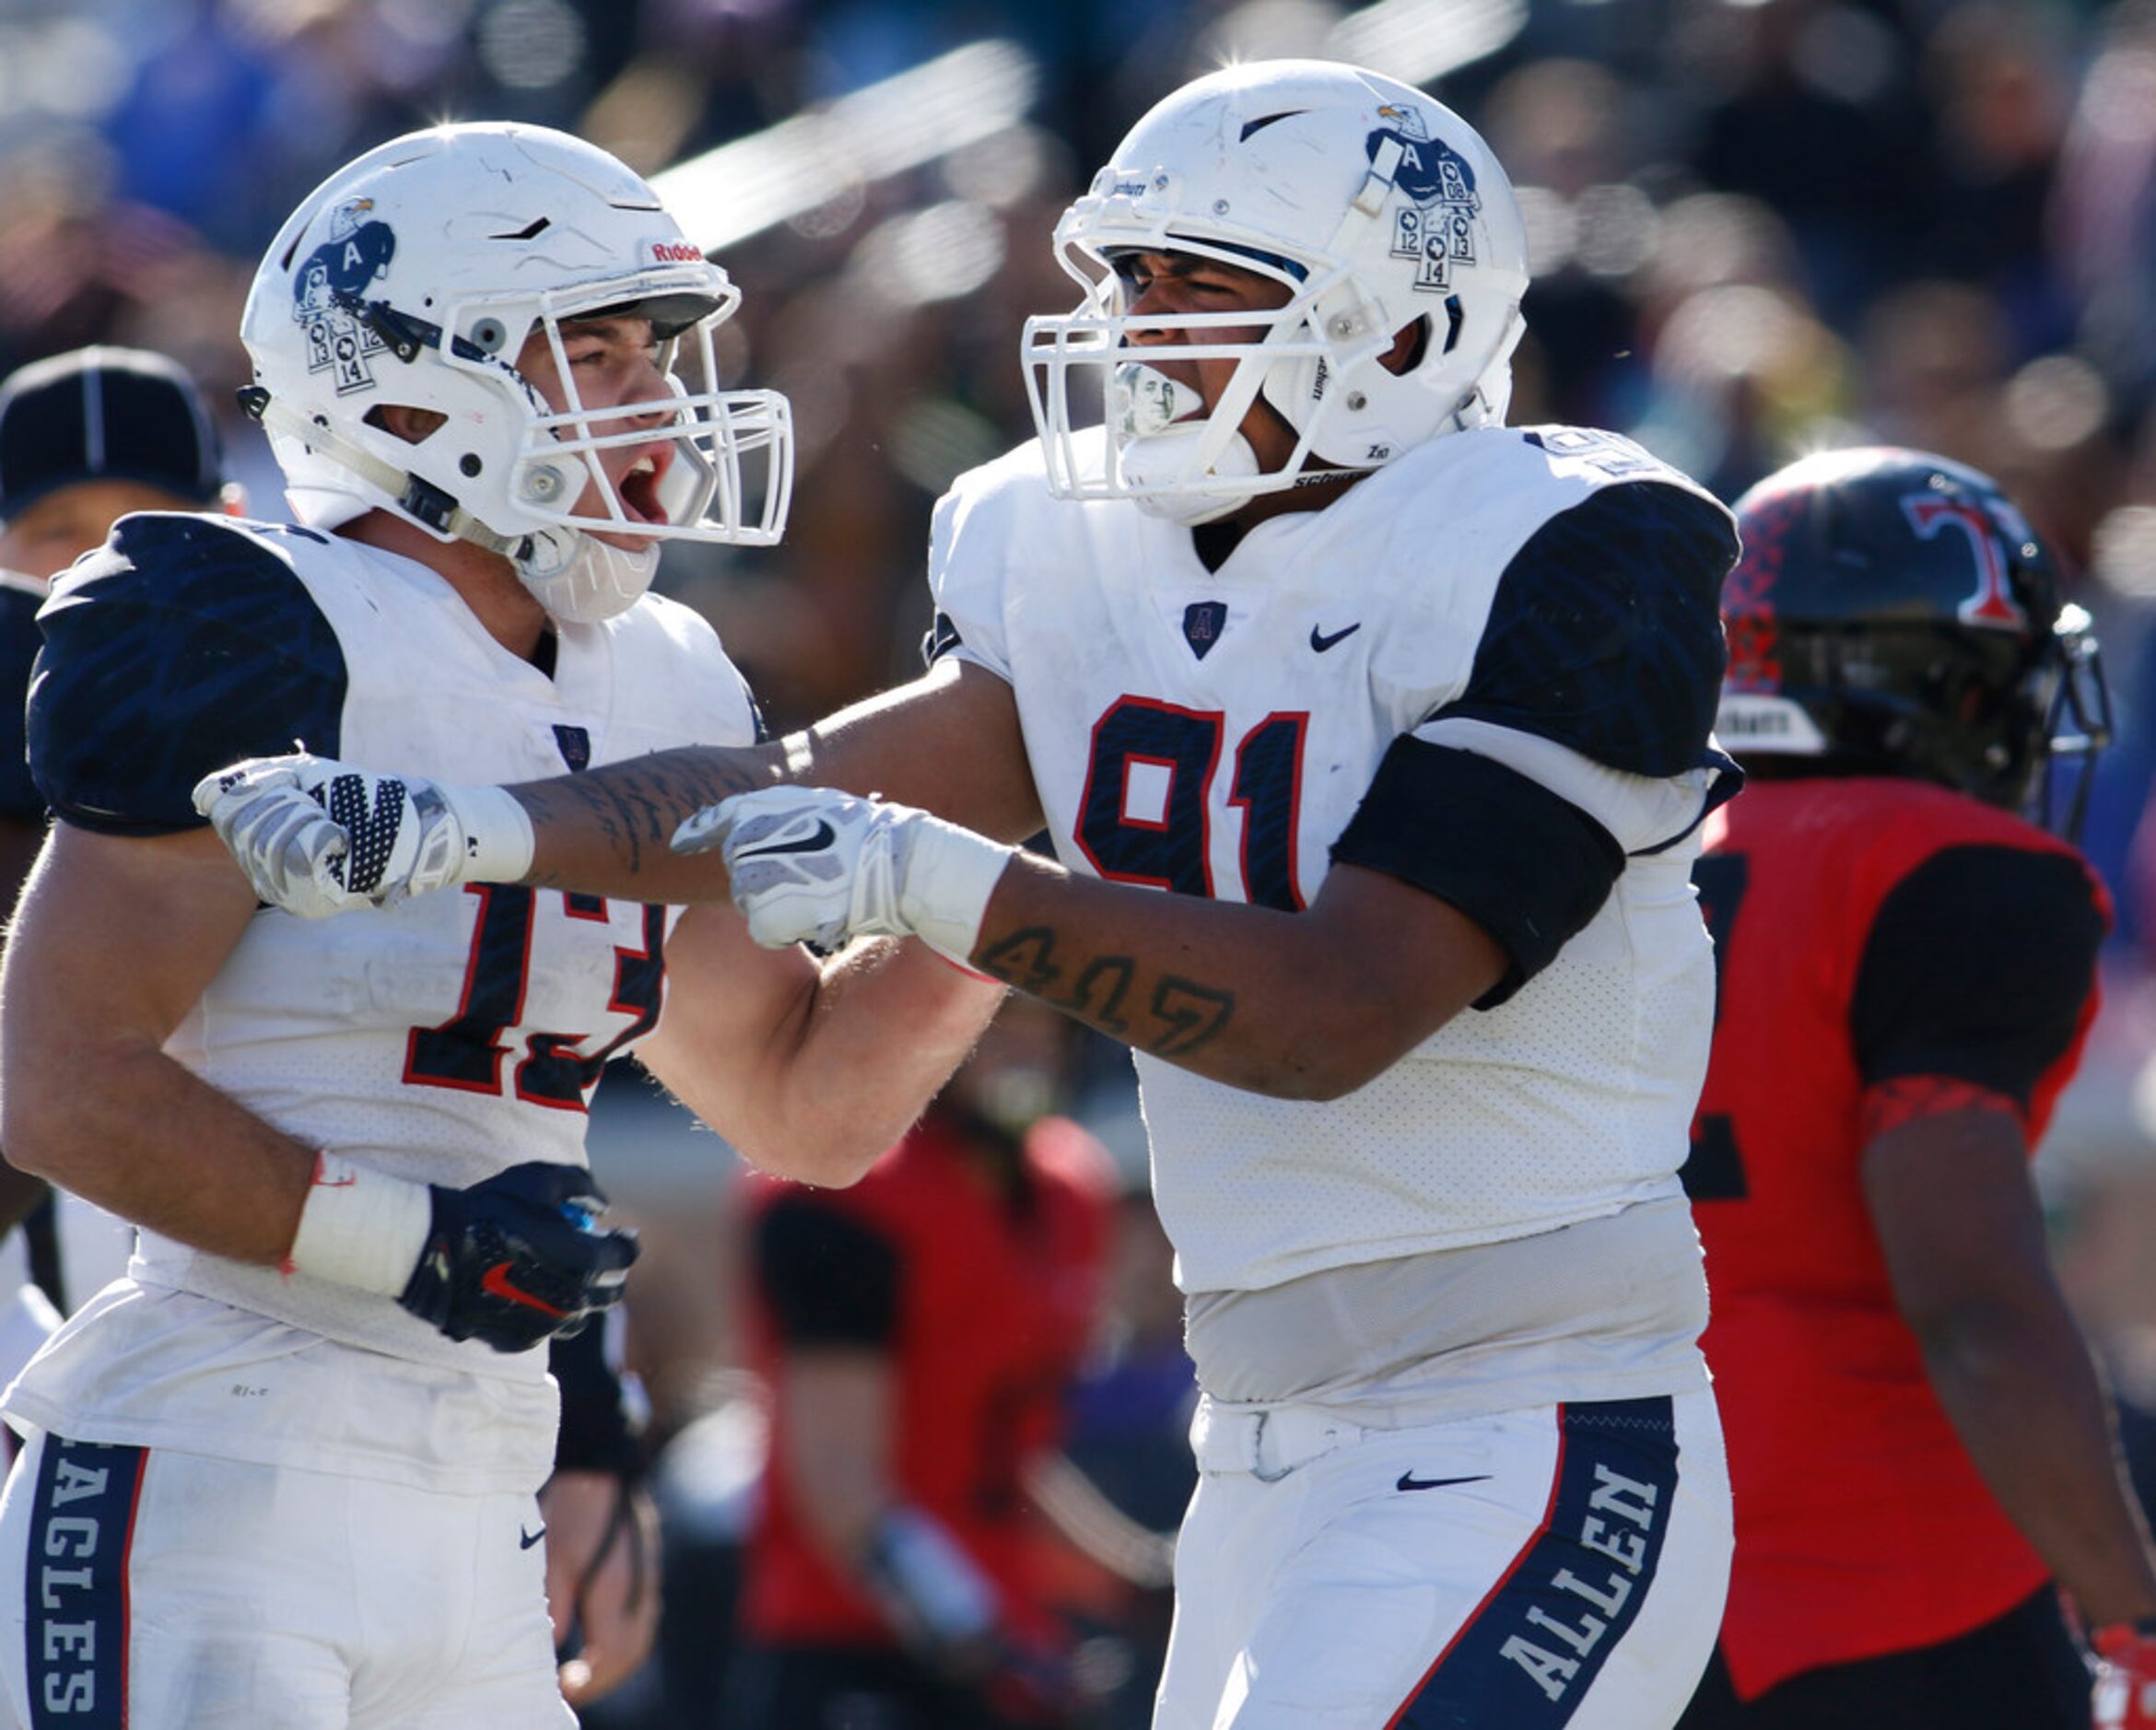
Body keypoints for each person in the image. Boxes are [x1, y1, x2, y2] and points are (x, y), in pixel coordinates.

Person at [198, 63, 1742, 1726]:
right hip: (1262, 1443)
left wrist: (942, 886)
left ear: (1393, 325)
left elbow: (1333, 1016)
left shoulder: (1571, 553)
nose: (1141, 331)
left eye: (1204, 287)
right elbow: (793, 795)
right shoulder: (1068, 545)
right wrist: (463, 826)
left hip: (1531, 1407)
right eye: (1127, 281)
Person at [0, 122, 1002, 1728]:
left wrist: (1002, 879)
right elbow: (62, 1082)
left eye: (662, 352)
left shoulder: (669, 668)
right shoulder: (243, 615)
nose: (661, 404)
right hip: (215, 1455)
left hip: (481, 1488)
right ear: (408, 387)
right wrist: (413, 1246)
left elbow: (800, 1101)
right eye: (596, 351)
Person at [1670, 445, 2156, 1729]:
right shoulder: (1958, 872)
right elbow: (1971, 1301)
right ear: (1937, 680)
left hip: (1625, 1559)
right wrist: (2133, 1610)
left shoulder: (1635, 864)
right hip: (1892, 1572)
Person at [726, 999, 1136, 1729]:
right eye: (996, 1031)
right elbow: (841, 1487)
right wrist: (975, 1638)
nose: (1024, 1057)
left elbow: (1001, 1461)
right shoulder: (845, 1189)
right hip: (851, 1639)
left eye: (1045, 1033)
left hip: (1006, 1631)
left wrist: (1130, 1580)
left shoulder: (1072, 1189)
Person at [0, 345, 244, 1434]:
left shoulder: (334, 736)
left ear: (235, 523)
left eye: (144, 523)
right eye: (56, 531)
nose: (96, 563)